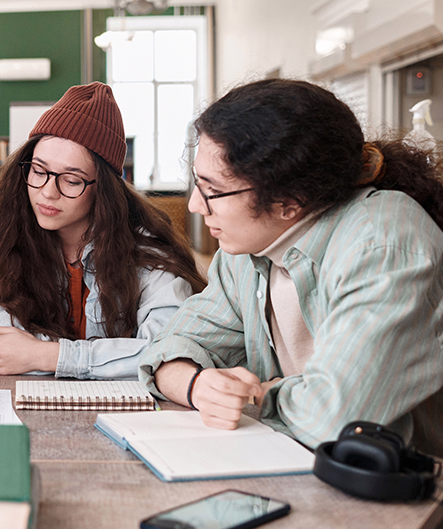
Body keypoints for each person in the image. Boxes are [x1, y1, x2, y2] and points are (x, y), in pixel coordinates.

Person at [140, 79, 443, 455]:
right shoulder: (244, 253)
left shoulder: (383, 242)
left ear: (289, 201)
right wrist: (196, 385)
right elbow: (169, 348)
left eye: (213, 191)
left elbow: (337, 415)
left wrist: (252, 395)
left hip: (409, 491)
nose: (195, 207)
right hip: (300, 467)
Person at [0, 82, 206, 379]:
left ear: (104, 189)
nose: (47, 192)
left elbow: (168, 352)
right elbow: (1, 353)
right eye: (38, 171)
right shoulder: (3, 240)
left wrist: (45, 355)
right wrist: (115, 359)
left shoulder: (149, 254)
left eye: (72, 181)